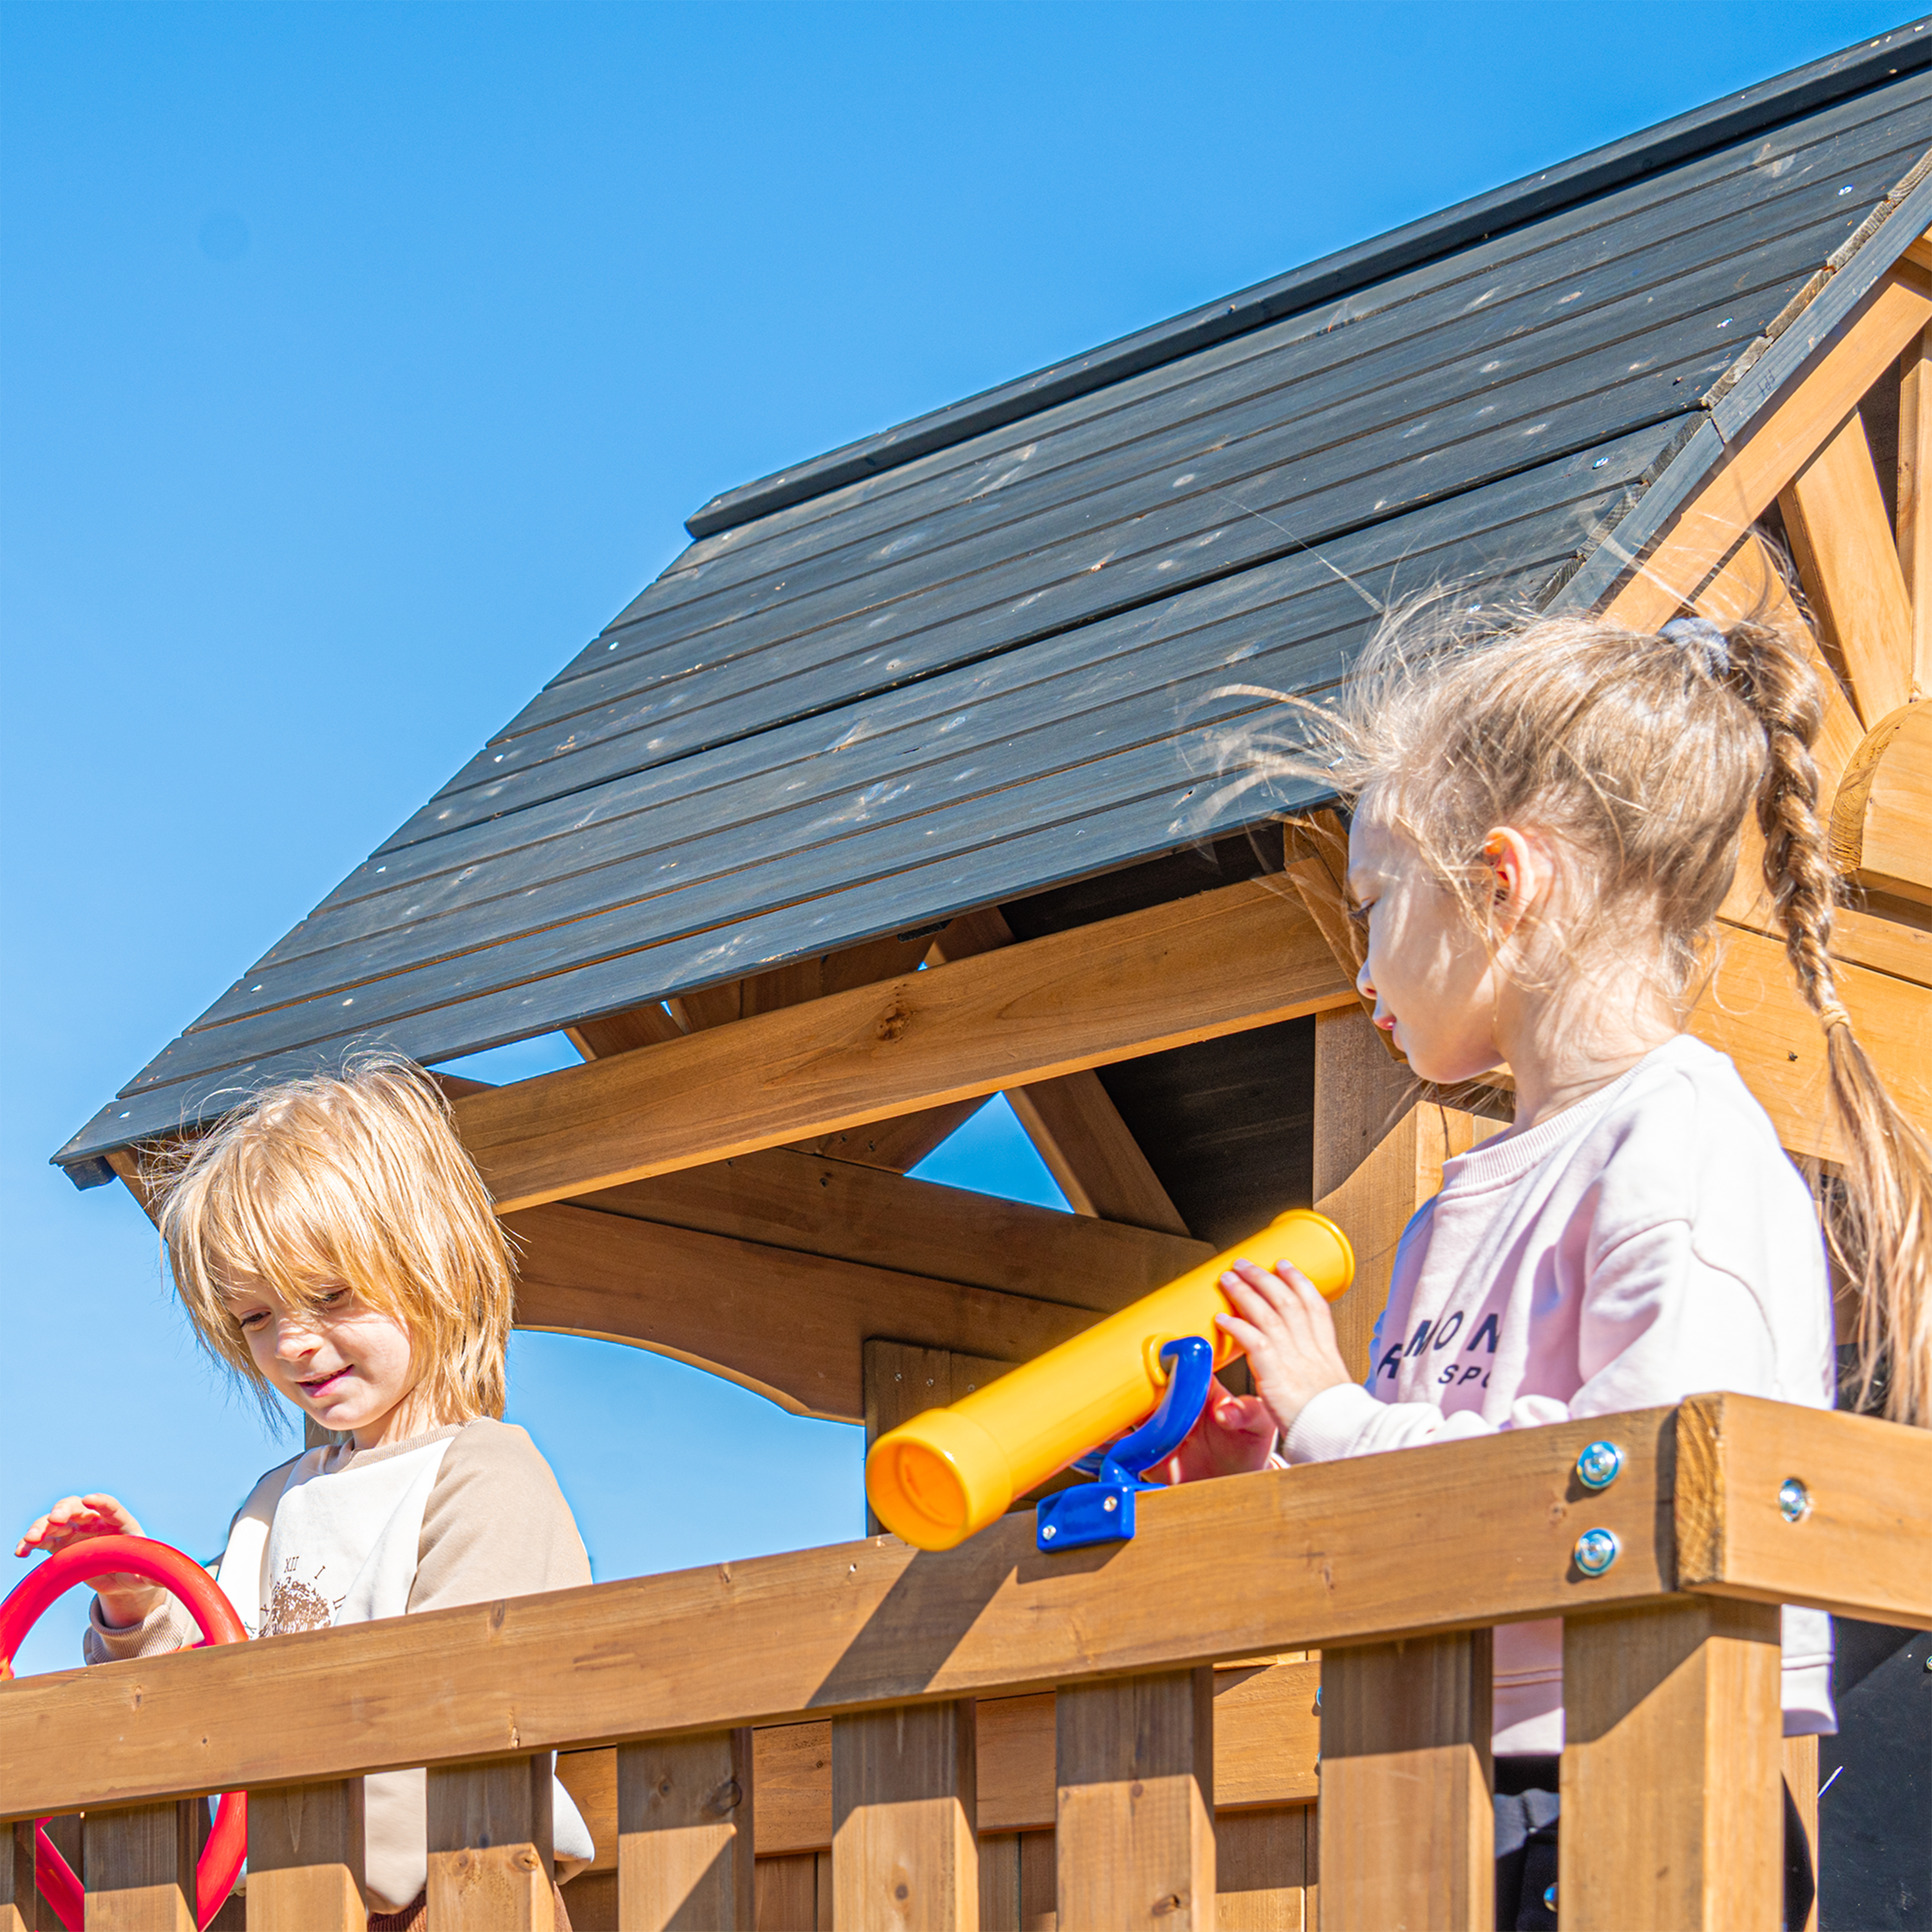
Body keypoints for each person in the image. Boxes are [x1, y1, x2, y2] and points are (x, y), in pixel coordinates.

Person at [1174, 600, 1931, 1930]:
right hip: (1440, 1768)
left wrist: (1334, 1415)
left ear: (1503, 884)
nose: (1362, 965)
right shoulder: (1459, 1202)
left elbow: (1628, 1474)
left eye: (1375, 903)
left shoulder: (1677, 1150)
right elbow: (1436, 1485)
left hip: (1624, 1776)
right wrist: (1285, 1469)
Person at [15, 1058, 598, 1929]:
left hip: (458, 1886)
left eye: (331, 1297)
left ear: (428, 1264)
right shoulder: (279, 1500)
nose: (294, 1343)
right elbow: (205, 1673)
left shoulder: (480, 1476)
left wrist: (307, 1867)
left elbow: (474, 1703)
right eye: (256, 1318)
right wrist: (137, 1605)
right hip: (299, 1893)